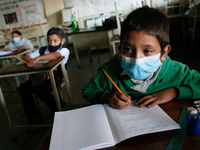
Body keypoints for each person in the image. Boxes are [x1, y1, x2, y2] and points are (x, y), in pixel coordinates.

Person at [82, 6, 200, 109]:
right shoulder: (109, 70)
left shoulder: (177, 71)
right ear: (121, 46)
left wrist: (173, 92)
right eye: (128, 49)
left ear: (164, 53)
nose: (136, 59)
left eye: (147, 51)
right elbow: (88, 91)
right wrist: (107, 96)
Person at [19, 27, 70, 125]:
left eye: (55, 41)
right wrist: (28, 58)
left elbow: (55, 56)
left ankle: (59, 111)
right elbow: (28, 56)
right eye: (49, 41)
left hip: (55, 78)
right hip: (40, 78)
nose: (52, 44)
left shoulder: (64, 50)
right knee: (23, 89)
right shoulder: (42, 50)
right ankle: (34, 116)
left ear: (62, 41)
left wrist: (37, 59)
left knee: (41, 91)